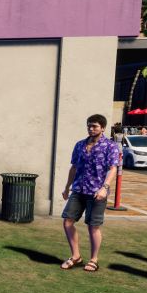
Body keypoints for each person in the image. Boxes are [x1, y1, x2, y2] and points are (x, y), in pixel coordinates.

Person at [60, 114, 119, 272]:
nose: (91, 129)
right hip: (78, 190)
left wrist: (104, 188)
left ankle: (94, 260)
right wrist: (67, 187)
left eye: (94, 126)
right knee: (67, 221)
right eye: (89, 126)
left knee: (93, 226)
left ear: (103, 128)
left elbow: (113, 168)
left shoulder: (110, 146)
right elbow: (74, 167)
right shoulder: (80, 145)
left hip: (97, 192)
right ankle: (76, 256)